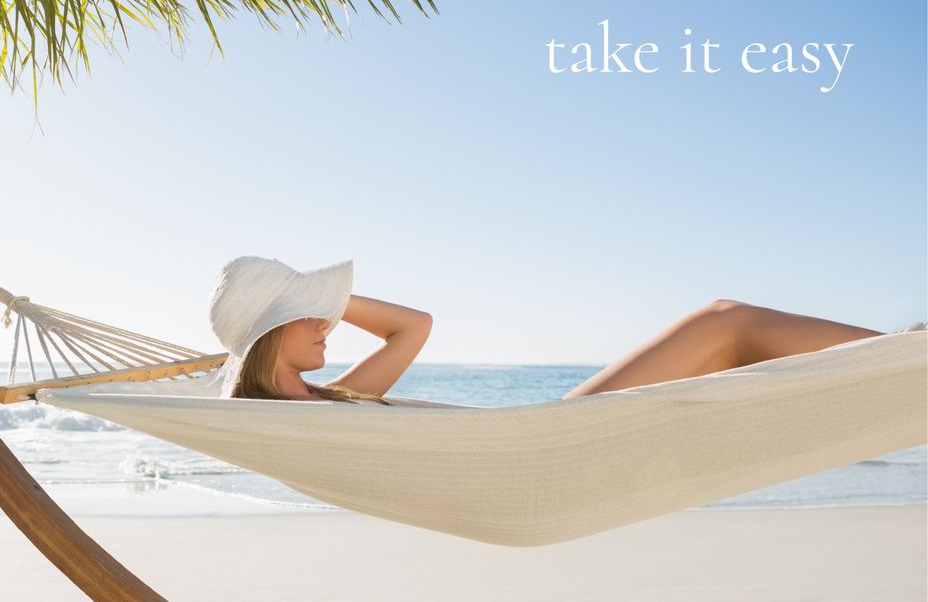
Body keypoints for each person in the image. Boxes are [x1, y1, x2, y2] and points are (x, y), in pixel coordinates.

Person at [206, 255, 890, 405]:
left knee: (730, 333)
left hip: (534, 437)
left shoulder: (338, 399)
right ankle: (903, 358)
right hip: (530, 455)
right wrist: (301, 300)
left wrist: (313, 302)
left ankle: (898, 363)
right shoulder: (294, 418)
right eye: (309, 318)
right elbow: (414, 327)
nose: (328, 325)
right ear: (270, 337)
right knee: (727, 323)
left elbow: (414, 328)